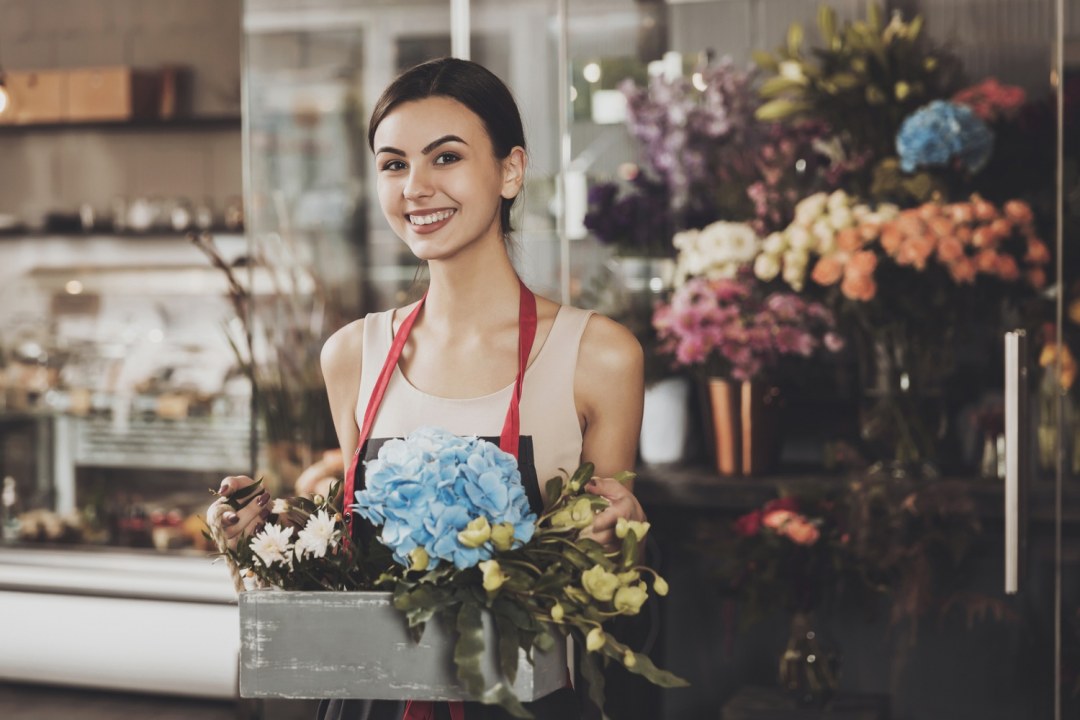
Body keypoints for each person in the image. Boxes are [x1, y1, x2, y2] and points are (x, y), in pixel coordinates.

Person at [213, 57, 647, 720]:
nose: (415, 187)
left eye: (445, 158)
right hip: (369, 703)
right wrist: (262, 538)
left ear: (510, 170)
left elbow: (605, 588)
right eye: (393, 164)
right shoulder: (352, 356)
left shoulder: (598, 355)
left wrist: (626, 536)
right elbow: (358, 569)